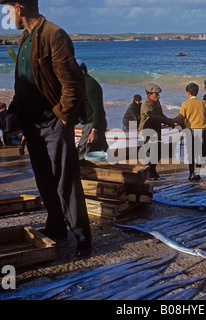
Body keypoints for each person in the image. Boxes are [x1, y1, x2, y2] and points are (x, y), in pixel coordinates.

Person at [2, 0, 91, 257]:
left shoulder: (54, 34)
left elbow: (73, 83)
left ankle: (83, 238)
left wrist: (62, 119)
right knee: (44, 179)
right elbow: (26, 83)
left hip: (53, 123)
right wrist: (15, 113)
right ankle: (56, 227)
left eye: (8, 10)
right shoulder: (25, 38)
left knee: (66, 182)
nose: (7, 15)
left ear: (19, 7)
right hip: (33, 125)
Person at [139, 83, 174, 181]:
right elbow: (154, 116)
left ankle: (152, 170)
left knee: (158, 152)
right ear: (149, 95)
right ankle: (149, 172)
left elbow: (161, 115)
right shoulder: (146, 105)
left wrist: (170, 122)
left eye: (158, 94)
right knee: (151, 152)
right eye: (156, 94)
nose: (158, 96)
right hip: (147, 131)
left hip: (156, 130)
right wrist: (169, 120)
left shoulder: (157, 103)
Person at [173, 82, 206, 181]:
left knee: (191, 153)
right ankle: (198, 174)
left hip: (190, 130)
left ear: (188, 93)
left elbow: (180, 118)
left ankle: (192, 174)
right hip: (202, 130)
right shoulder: (203, 102)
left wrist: (170, 120)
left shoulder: (185, 104)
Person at [77, 59, 108, 160]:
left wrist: (94, 130)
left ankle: (81, 173)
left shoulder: (89, 85)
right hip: (93, 123)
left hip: (92, 124)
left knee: (83, 150)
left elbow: (97, 109)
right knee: (99, 151)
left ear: (82, 72)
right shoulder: (85, 83)